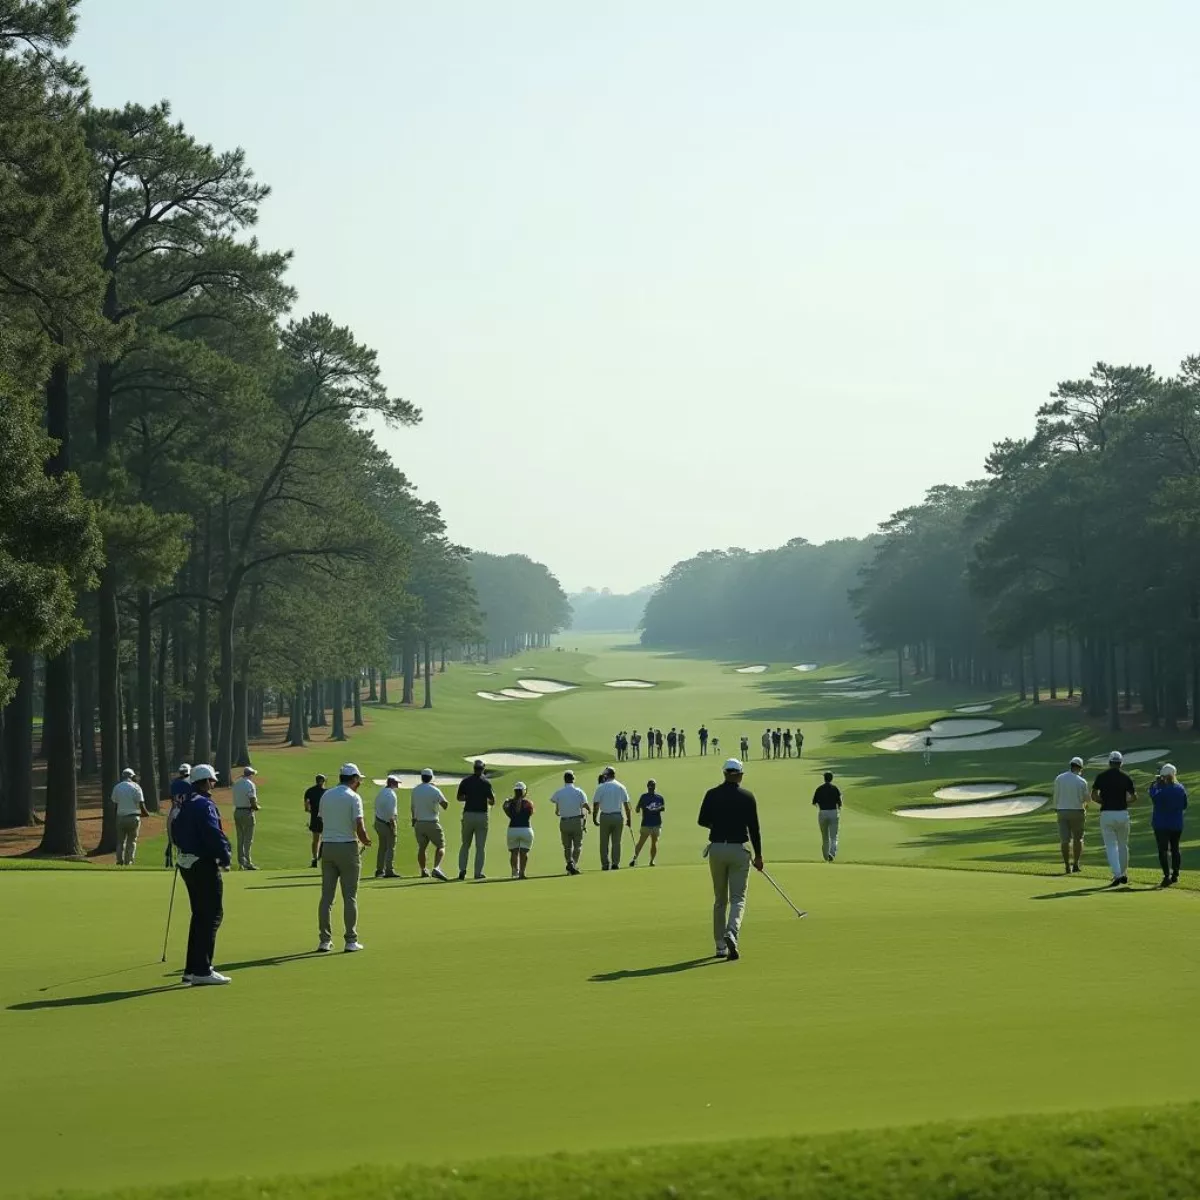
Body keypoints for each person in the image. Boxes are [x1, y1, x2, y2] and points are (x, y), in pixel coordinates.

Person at [697, 758, 763, 962]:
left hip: (716, 849)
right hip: (738, 850)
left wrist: (718, 827)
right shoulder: (747, 797)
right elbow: (754, 829)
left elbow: (702, 820)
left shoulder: (712, 794)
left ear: (725, 774)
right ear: (740, 775)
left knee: (719, 899)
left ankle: (719, 946)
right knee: (738, 898)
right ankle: (732, 932)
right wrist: (759, 856)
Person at [172, 764, 232, 985]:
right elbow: (213, 834)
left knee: (200, 915)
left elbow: (175, 831)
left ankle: (192, 969)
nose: (214, 784)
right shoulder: (204, 804)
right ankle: (203, 970)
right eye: (213, 781)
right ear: (206, 782)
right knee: (212, 915)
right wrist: (224, 857)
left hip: (187, 862)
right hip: (203, 864)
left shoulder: (184, 803)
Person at [317, 762, 371, 952]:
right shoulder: (354, 798)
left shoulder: (326, 795)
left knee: (327, 897)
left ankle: (324, 940)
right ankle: (350, 940)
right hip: (347, 847)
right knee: (350, 896)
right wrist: (366, 841)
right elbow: (359, 826)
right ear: (354, 778)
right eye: (359, 779)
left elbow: (323, 820)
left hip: (328, 848)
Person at [1092, 751, 1136, 887]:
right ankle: (1123, 874)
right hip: (1122, 813)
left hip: (1107, 814)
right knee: (1123, 845)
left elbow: (1094, 795)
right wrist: (1125, 802)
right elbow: (1133, 797)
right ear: (1121, 763)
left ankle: (1117, 875)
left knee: (1111, 846)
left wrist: (1103, 802)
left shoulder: (1101, 776)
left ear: (1109, 762)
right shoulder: (1125, 777)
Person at [1149, 763, 1187, 887]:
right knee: (1175, 848)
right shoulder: (1180, 788)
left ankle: (1166, 876)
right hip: (1176, 824)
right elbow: (1184, 805)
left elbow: (1154, 797)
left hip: (1161, 825)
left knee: (1163, 850)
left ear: (1163, 777)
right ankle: (1175, 875)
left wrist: (1154, 786)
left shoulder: (1160, 790)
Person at [457, 759, 495, 880]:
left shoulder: (466, 781)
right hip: (481, 816)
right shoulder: (486, 782)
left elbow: (459, 797)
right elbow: (492, 800)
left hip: (468, 815)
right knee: (480, 847)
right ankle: (477, 873)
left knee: (465, 845)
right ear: (483, 769)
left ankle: (462, 870)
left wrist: (469, 798)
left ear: (474, 768)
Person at [411, 768, 450, 880]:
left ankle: (423, 870)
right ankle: (436, 868)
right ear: (431, 777)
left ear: (422, 777)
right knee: (441, 846)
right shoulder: (434, 790)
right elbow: (445, 805)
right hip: (432, 822)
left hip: (419, 823)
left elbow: (412, 807)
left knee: (422, 848)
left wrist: (414, 819)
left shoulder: (415, 790)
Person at [1052, 756, 1089, 874]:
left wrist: (1056, 808)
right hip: (1077, 811)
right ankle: (1076, 864)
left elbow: (1056, 796)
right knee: (1078, 839)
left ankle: (1067, 866)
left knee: (1064, 840)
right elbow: (1086, 799)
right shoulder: (1082, 781)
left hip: (1061, 811)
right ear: (1080, 768)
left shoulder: (1059, 778)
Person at [592, 766, 632, 870]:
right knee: (616, 842)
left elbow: (596, 804)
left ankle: (605, 864)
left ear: (606, 776)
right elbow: (626, 806)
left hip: (605, 816)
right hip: (618, 816)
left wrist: (594, 818)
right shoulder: (621, 786)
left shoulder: (601, 787)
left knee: (604, 842)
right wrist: (629, 819)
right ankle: (615, 863)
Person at [550, 769, 590, 874]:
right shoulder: (579, 791)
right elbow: (585, 805)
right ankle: (573, 864)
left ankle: (569, 863)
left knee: (567, 846)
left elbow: (555, 801)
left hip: (564, 821)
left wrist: (557, 809)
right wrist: (590, 811)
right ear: (573, 779)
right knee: (577, 845)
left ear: (564, 780)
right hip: (577, 821)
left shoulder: (559, 792)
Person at [112, 767, 150, 866]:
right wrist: (146, 813)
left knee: (120, 841)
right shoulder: (136, 787)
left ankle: (119, 861)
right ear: (132, 777)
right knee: (132, 841)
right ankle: (128, 862)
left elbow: (115, 804)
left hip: (120, 817)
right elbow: (141, 804)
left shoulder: (117, 787)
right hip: (134, 817)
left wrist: (116, 816)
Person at [231, 765, 260, 870]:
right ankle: (248, 862)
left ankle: (241, 863)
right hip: (247, 812)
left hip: (237, 811)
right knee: (248, 839)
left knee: (240, 839)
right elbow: (252, 798)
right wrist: (256, 807)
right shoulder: (250, 784)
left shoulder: (237, 783)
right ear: (251, 775)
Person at [503, 783, 535, 879]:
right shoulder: (528, 803)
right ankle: (522, 873)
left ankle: (514, 872)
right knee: (524, 852)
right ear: (524, 791)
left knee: (514, 852)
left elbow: (506, 809)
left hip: (513, 829)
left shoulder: (509, 802)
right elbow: (531, 813)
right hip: (526, 829)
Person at [631, 779, 664, 866]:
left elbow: (637, 809)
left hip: (652, 823)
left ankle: (636, 858)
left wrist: (642, 809)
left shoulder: (648, 797)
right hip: (651, 824)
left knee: (645, 842)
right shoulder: (657, 797)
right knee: (649, 842)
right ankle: (645, 860)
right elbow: (638, 809)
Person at [372, 774, 400, 879]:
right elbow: (391, 813)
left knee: (382, 847)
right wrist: (393, 827)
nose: (397, 785)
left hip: (378, 822)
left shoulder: (381, 792)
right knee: (390, 848)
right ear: (392, 783)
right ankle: (389, 870)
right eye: (396, 783)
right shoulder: (391, 794)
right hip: (387, 823)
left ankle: (379, 870)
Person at [165, 763, 192, 868]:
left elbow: (172, 799)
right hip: (186, 812)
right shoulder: (191, 783)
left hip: (175, 810)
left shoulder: (174, 783)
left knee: (171, 837)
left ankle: (171, 858)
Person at [812, 771, 842, 861]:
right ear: (831, 778)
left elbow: (814, 802)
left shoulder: (819, 789)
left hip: (823, 813)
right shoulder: (835, 788)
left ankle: (826, 856)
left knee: (825, 836)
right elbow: (839, 803)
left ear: (824, 778)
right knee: (834, 836)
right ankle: (832, 853)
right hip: (833, 812)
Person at [304, 774, 326, 867]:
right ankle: (320, 856)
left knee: (316, 839)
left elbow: (306, 804)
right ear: (324, 781)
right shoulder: (327, 792)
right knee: (324, 839)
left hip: (315, 817)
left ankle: (315, 858)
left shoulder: (310, 791)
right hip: (325, 817)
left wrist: (310, 811)